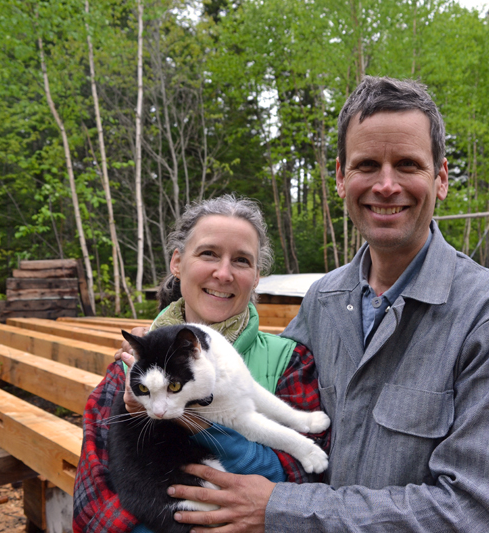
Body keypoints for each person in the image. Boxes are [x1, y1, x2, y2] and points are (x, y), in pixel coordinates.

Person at [166, 76, 489, 532]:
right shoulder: (322, 303)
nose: (386, 186)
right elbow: (263, 408)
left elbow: (470, 512)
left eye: (407, 164)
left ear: (441, 178)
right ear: (341, 178)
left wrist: (280, 509)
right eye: (367, 164)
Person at [72, 195, 328, 533]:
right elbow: (90, 501)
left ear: (256, 277)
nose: (223, 273)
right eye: (208, 254)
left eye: (241, 260)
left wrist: (204, 427)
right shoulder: (130, 366)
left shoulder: (290, 360)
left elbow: (307, 479)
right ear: (177, 263)